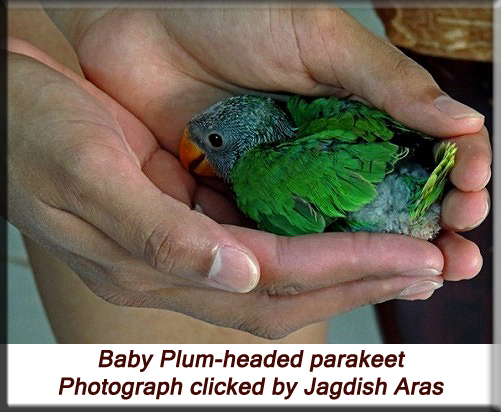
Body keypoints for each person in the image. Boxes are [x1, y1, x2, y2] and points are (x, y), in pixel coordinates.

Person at [7, 4, 491, 343]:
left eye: (212, 144)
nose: (195, 151)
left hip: (391, 183)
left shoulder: (259, 177)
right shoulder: (306, 118)